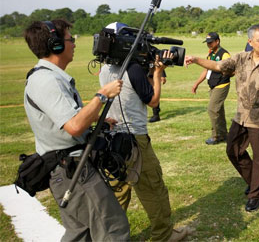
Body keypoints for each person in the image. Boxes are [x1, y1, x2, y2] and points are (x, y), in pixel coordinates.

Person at [23, 20, 130, 241]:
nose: (74, 44)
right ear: (56, 45)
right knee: (113, 229)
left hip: (67, 169)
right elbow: (74, 126)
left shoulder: (47, 77)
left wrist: (96, 119)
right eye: (70, 39)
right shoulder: (46, 80)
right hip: (73, 170)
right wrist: (102, 96)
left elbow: (69, 119)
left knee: (81, 233)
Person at [185, 24, 259, 212]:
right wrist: (195, 60)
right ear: (250, 41)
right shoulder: (240, 59)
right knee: (233, 150)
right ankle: (254, 180)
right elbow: (217, 66)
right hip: (241, 116)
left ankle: (255, 194)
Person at [99, 23, 190, 242]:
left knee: (117, 191)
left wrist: (149, 70)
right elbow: (153, 100)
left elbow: (132, 89)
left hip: (112, 137)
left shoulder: (104, 68)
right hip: (135, 139)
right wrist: (157, 73)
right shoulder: (133, 69)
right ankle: (163, 235)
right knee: (152, 186)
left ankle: (111, 237)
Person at [191, 32, 231, 145]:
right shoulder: (210, 55)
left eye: (211, 42)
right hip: (213, 86)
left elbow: (230, 69)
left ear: (217, 41)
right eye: (207, 43)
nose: (208, 44)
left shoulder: (224, 54)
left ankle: (216, 136)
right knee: (219, 111)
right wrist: (196, 83)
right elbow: (206, 70)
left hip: (221, 85)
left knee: (212, 109)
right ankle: (224, 135)